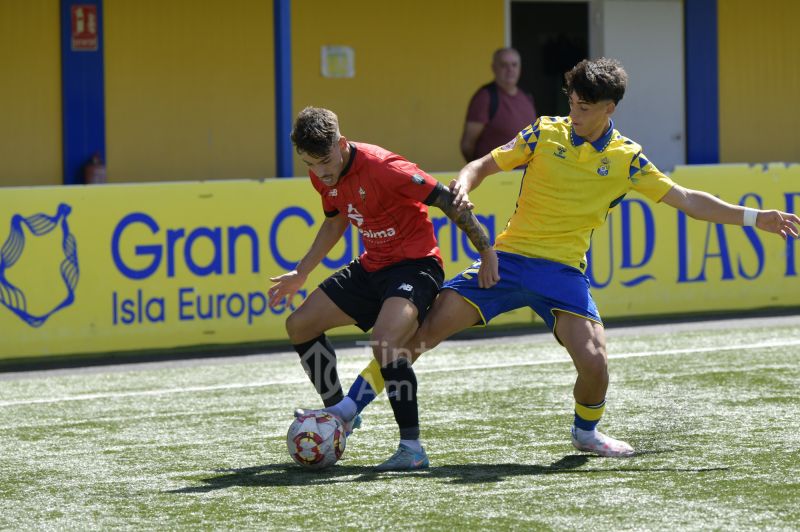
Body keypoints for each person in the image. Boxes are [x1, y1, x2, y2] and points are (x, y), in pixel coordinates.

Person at [330, 58, 800, 458]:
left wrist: (755, 218)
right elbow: (483, 163)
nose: (573, 112)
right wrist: (464, 186)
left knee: (595, 362)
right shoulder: (543, 133)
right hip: (508, 261)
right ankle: (347, 412)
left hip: (563, 274)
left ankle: (586, 432)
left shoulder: (627, 159)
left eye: (585, 107)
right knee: (421, 334)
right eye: (572, 102)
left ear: (610, 108)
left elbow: (688, 200)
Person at [267, 107, 498, 471]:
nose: (322, 173)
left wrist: (486, 251)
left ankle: (412, 448)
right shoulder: (323, 176)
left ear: (341, 144)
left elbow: (447, 200)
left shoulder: (385, 167)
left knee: (385, 342)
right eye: (311, 165)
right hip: (372, 266)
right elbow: (335, 220)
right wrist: (301, 272)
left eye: (326, 162)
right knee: (299, 324)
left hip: (416, 265)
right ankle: (339, 413)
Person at [460, 47, 537, 162]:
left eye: (514, 65)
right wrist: (479, 171)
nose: (510, 69)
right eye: (504, 65)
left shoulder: (527, 97)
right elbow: (467, 145)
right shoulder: (485, 97)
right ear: (494, 68)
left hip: (525, 176)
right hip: (494, 178)